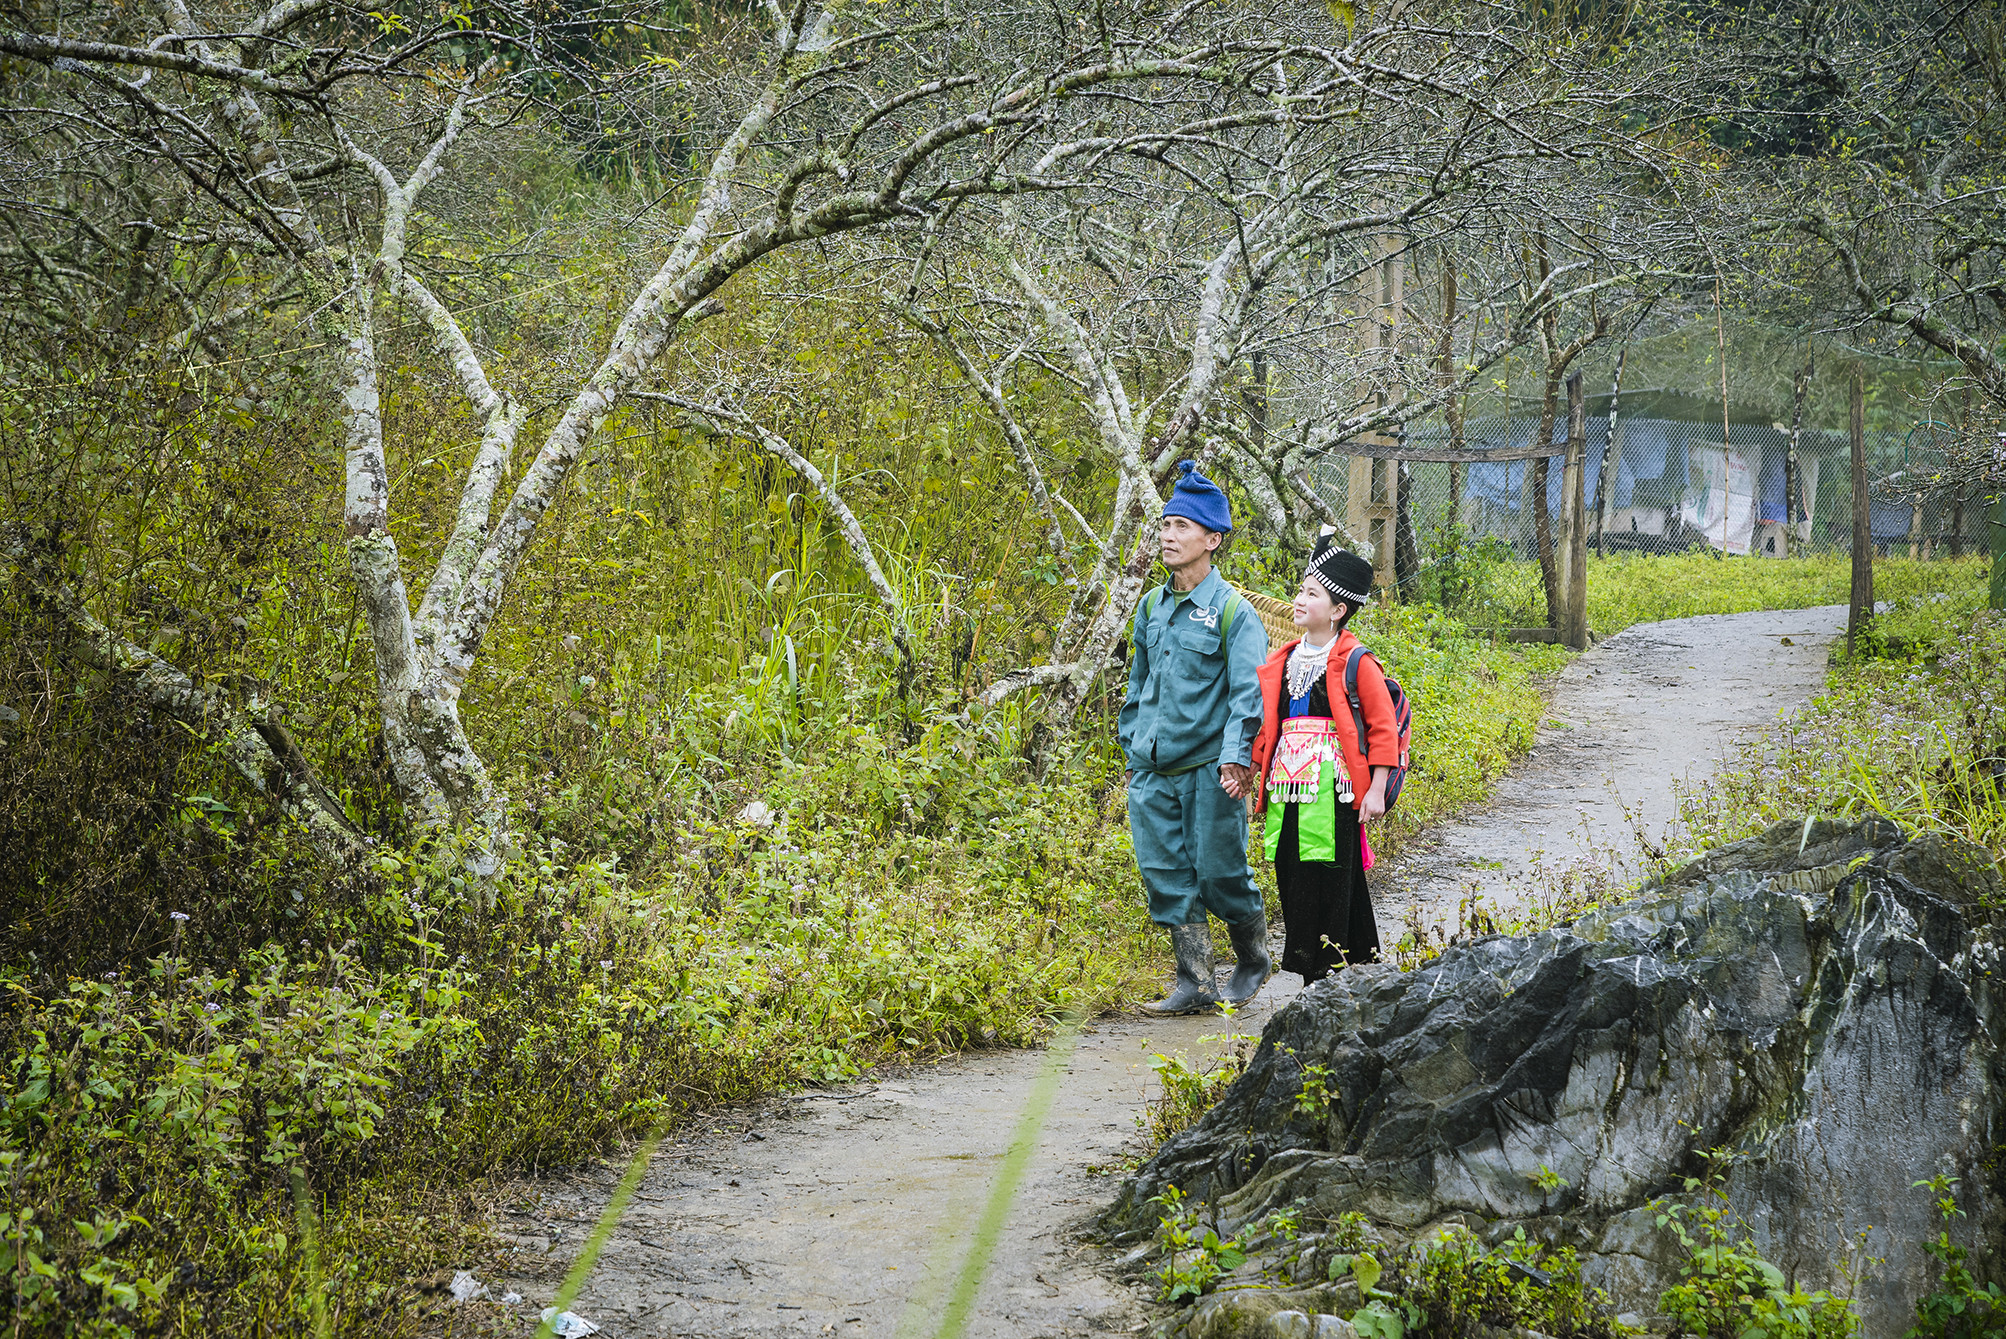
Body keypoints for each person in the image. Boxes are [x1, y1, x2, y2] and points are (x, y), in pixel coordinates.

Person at [1120, 461, 1272, 1015]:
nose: (1168, 534)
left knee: (1219, 872)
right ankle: (1196, 980)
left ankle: (1253, 958)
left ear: (1213, 540)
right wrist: (1133, 747)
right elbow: (1138, 684)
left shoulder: (1234, 613)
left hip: (1211, 772)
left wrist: (1237, 760)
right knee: (1165, 875)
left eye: (1182, 525)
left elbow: (1246, 698)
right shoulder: (1151, 608)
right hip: (1154, 770)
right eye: (1165, 523)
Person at [1248, 532, 1398, 983]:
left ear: (1338, 611)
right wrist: (1251, 767)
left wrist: (1376, 789)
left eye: (1311, 594)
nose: (1298, 600)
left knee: (1333, 873)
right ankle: (1309, 962)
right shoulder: (1285, 659)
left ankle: (1336, 970)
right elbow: (1268, 725)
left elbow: (1383, 728)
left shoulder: (1357, 662)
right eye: (1300, 590)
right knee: (1291, 867)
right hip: (1287, 787)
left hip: (1334, 791)